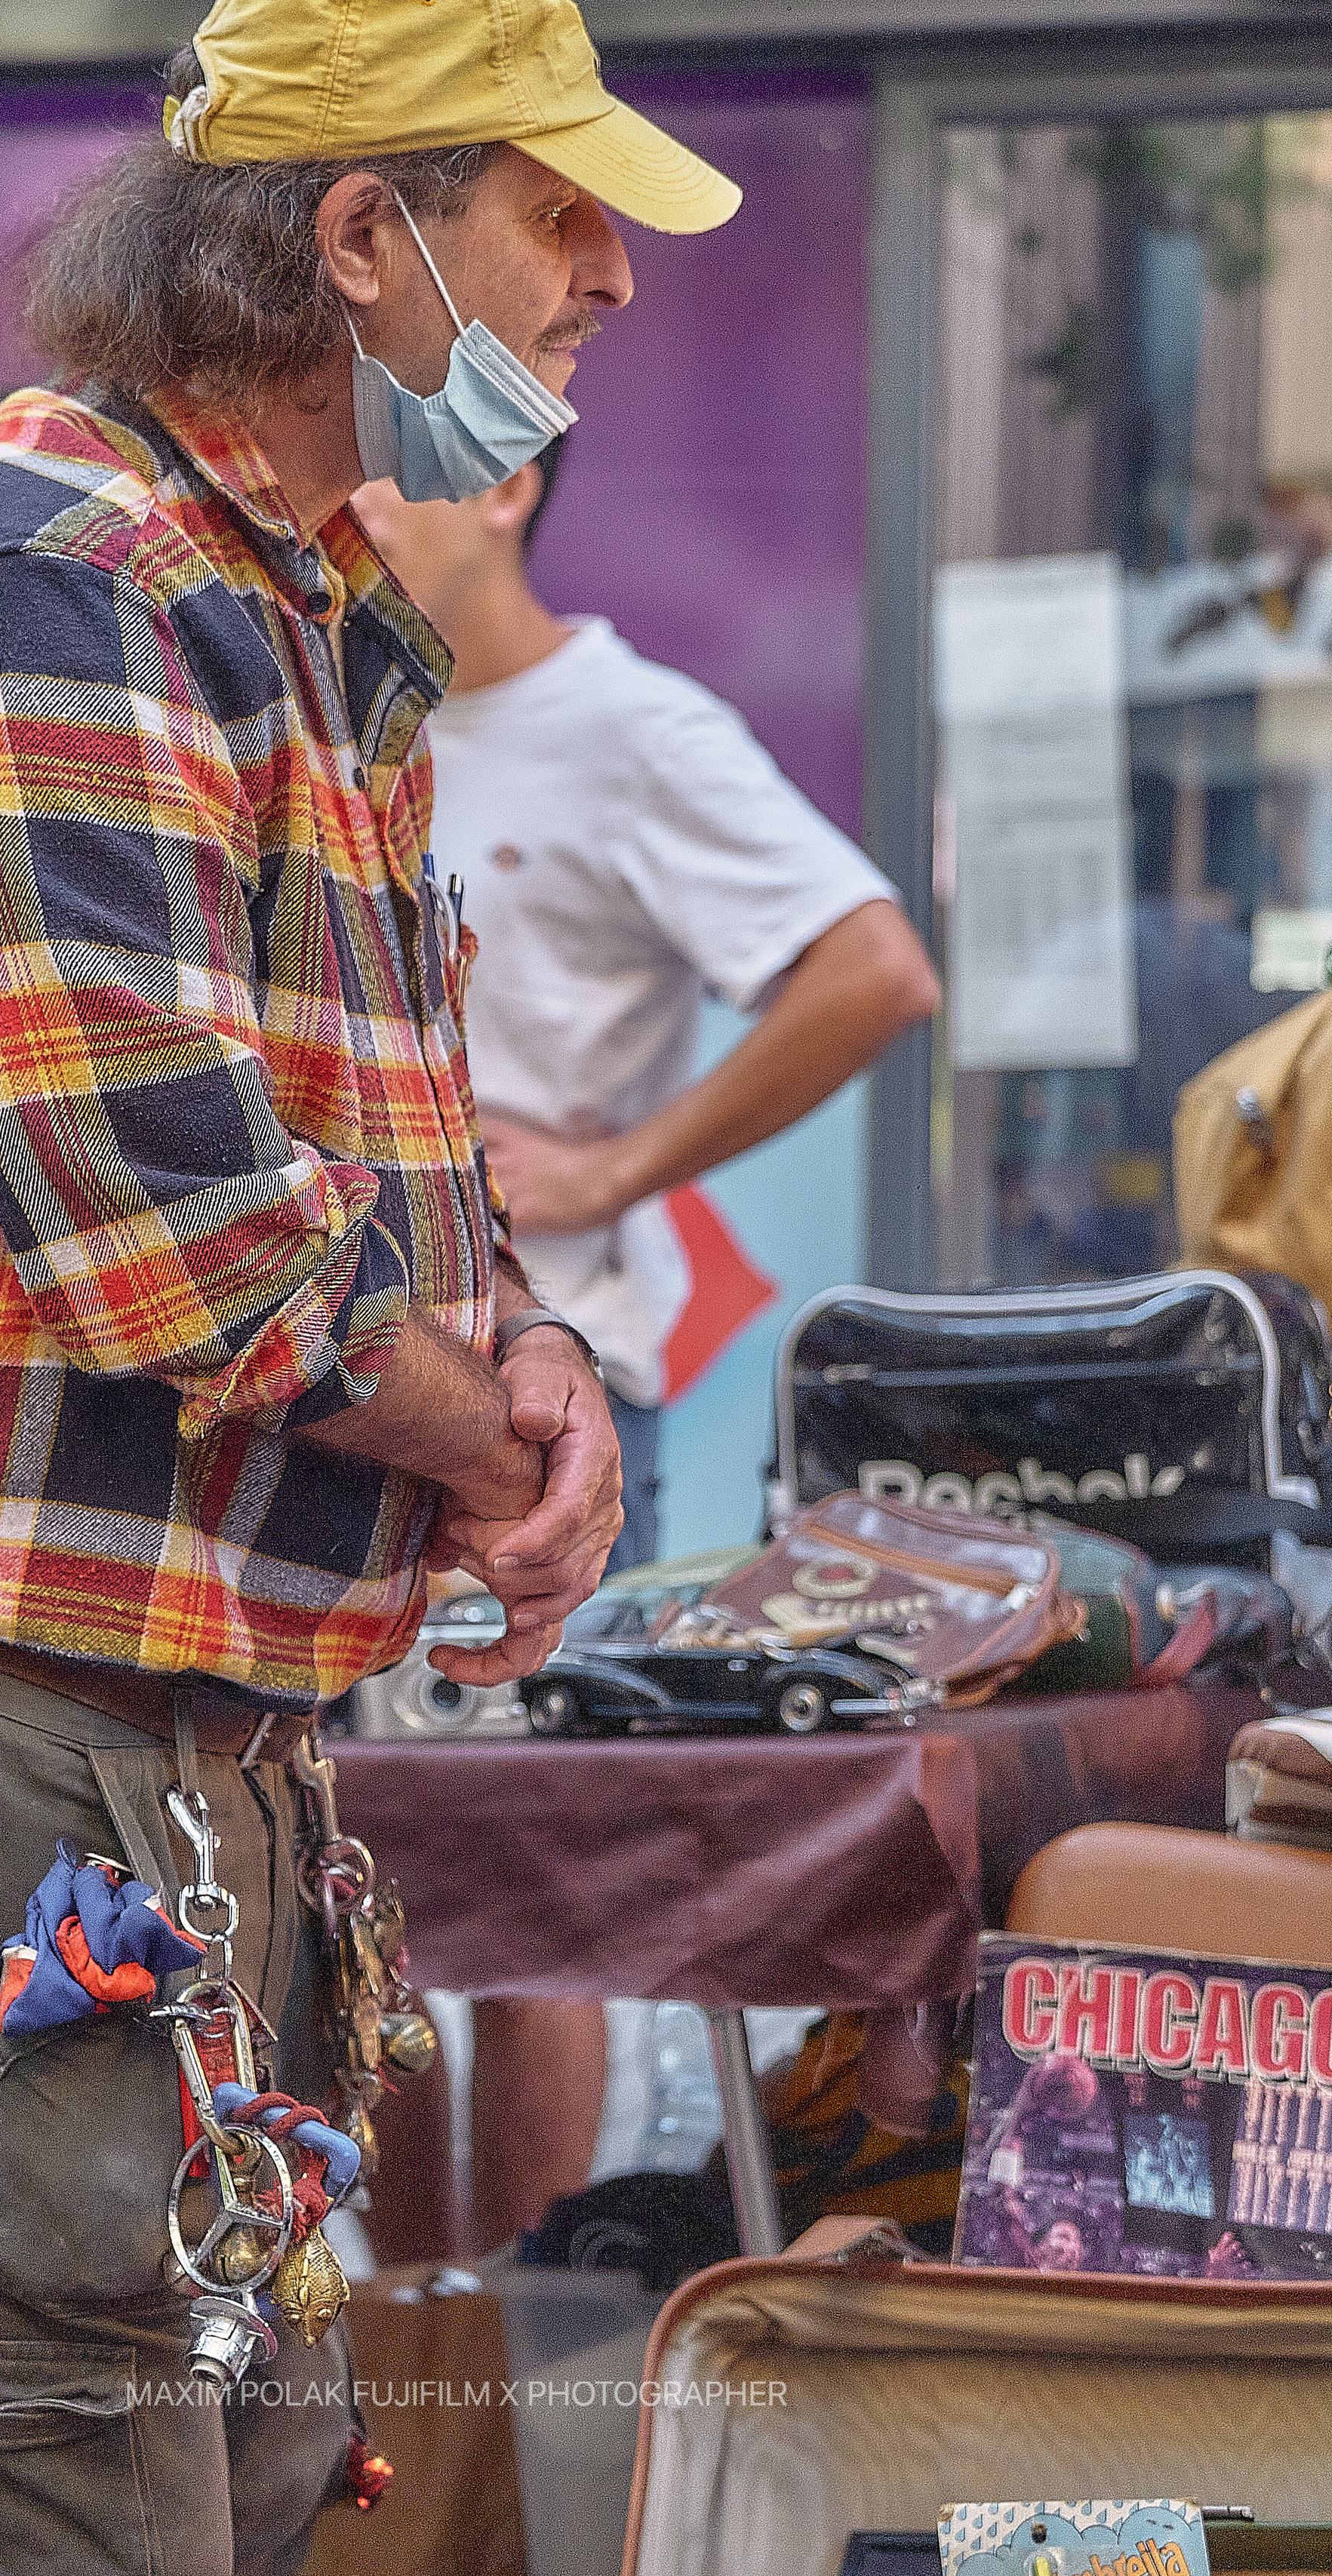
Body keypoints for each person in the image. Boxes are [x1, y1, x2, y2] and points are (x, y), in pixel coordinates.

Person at [0, 0, 740, 2576]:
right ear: (362, 232)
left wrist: (533, 1377)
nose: (610, 273)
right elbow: (173, 1234)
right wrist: (498, 1427)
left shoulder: (282, 587)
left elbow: (377, 1139)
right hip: (3, 1698)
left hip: (159, 1706)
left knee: (227, 2423)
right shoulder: (73, 568)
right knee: (72, 2431)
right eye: (559, 208)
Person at [352, 448, 937, 2251]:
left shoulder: (632, 726)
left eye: (381, 470)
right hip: (320, 1371)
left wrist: (615, 1159)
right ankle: (406, 2357)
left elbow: (872, 971)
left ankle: (515, 2399)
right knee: (342, 1903)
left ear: (510, 479)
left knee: (528, 1914)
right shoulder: (318, 705)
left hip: (546, 1392)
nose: (344, 504)